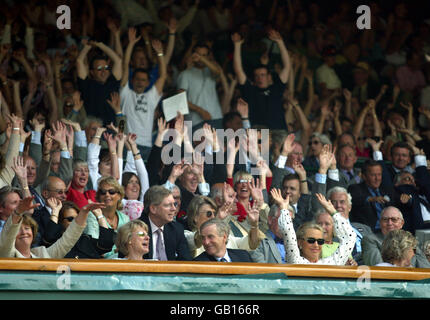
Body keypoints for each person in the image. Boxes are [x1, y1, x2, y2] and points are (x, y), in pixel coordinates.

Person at [0, 196, 105, 258]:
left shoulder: (41, 254)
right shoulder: (7, 254)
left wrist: (84, 212)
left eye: (27, 228)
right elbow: (7, 236)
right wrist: (17, 213)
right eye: (18, 230)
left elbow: (67, 241)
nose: (24, 232)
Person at [273, 188, 356, 265]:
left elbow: (350, 237)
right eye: (311, 240)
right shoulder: (296, 261)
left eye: (320, 241)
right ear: (299, 242)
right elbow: (288, 232)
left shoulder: (330, 263)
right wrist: (283, 208)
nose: (316, 245)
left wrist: (332, 211)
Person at [120, 29, 167, 160]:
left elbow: (163, 76)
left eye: (143, 80)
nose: (140, 82)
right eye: (137, 79)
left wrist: (160, 53)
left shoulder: (151, 97)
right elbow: (125, 65)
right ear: (132, 80)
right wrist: (130, 44)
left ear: (148, 83)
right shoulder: (126, 94)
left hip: (147, 145)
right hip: (127, 144)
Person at [232, 29, 291, 129]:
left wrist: (280, 42)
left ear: (269, 77)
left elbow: (287, 67)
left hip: (279, 133)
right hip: (258, 135)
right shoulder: (250, 90)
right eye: (257, 76)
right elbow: (238, 70)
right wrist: (237, 45)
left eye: (263, 75)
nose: (260, 78)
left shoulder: (276, 88)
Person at [185, 194, 260, 258]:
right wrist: (216, 222)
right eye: (209, 214)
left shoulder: (226, 237)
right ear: (195, 217)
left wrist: (254, 225)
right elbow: (196, 240)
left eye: (214, 214)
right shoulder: (186, 236)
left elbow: (252, 244)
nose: (213, 217)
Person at [43, 200, 115, 259]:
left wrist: (99, 216)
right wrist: (55, 212)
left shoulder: (85, 239)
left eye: (76, 218)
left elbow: (106, 245)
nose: (75, 222)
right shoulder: (56, 242)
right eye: (70, 219)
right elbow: (50, 237)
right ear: (61, 221)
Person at [361, 206, 430, 267]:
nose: (390, 223)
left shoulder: (410, 241)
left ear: (402, 223)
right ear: (380, 223)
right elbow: (379, 269)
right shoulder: (370, 240)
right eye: (385, 219)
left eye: (394, 219)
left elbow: (426, 268)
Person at [176, 42, 223, 126]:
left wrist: (202, 59)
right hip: (195, 121)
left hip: (216, 117)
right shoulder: (185, 74)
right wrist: (200, 111)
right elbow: (180, 100)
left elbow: (218, 72)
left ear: (208, 57)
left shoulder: (211, 71)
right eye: (198, 54)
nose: (200, 58)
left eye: (204, 55)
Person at [139, 185, 191, 261]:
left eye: (175, 204)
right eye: (168, 205)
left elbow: (186, 261)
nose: (174, 209)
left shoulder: (176, 229)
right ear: (153, 208)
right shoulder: (137, 229)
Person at [84, 176, 130, 258]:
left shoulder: (125, 219)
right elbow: (95, 247)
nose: (107, 195)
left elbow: (129, 246)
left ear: (119, 195)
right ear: (98, 196)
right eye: (103, 192)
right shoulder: (92, 216)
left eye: (111, 192)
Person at [327, 186, 374, 265]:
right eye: (334, 202)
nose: (338, 205)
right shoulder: (327, 229)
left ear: (350, 207)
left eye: (342, 202)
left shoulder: (365, 228)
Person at [348, 159, 397, 231]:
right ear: (364, 176)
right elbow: (356, 199)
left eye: (379, 174)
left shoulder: (387, 189)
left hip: (389, 230)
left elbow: (396, 200)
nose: (377, 178)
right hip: (369, 232)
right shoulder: (355, 188)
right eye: (373, 175)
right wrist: (371, 199)